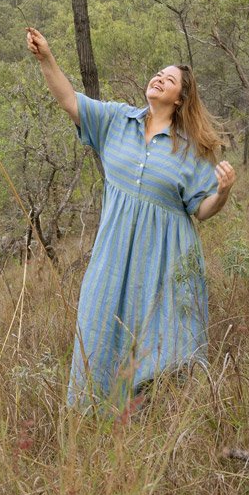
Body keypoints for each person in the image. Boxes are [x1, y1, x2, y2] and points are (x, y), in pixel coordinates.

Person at [26, 28, 235, 407]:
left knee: (163, 337)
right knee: (99, 319)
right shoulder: (116, 121)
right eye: (158, 74)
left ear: (180, 97)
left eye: (168, 80)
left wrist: (222, 192)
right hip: (113, 253)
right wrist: (47, 59)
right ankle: (98, 414)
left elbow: (201, 211)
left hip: (165, 262)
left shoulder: (192, 150)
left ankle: (157, 413)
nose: (158, 79)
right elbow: (70, 100)